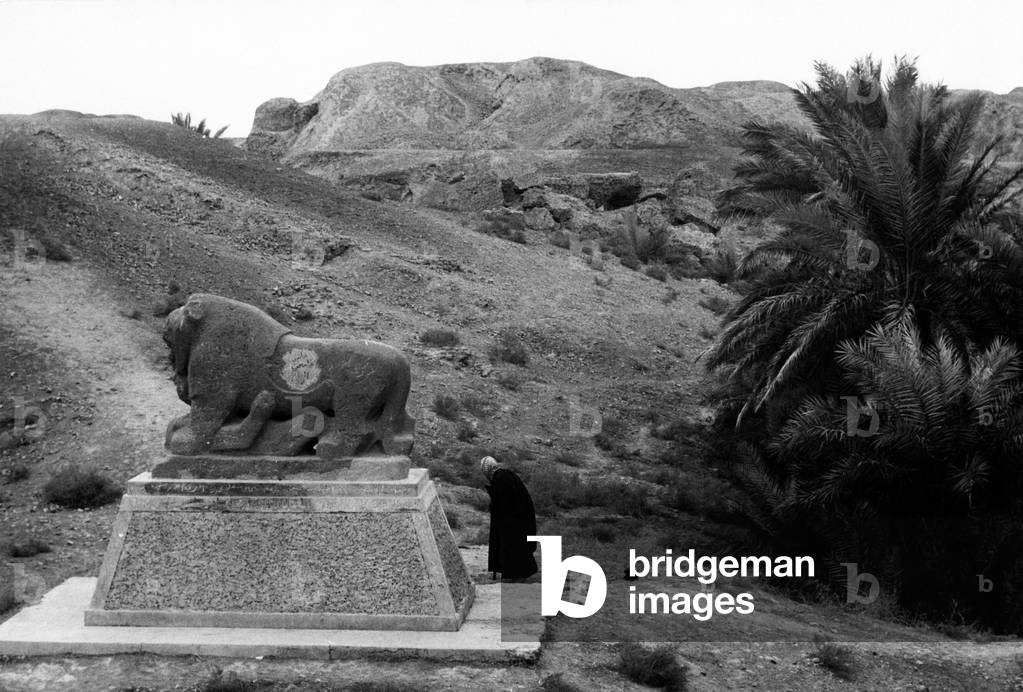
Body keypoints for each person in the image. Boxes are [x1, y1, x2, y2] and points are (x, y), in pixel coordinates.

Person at [480, 456, 538, 581]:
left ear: (487, 470)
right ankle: (522, 574)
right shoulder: (508, 474)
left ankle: (516, 575)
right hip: (522, 518)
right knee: (520, 547)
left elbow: (502, 503)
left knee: (512, 549)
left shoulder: (499, 479)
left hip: (511, 521)